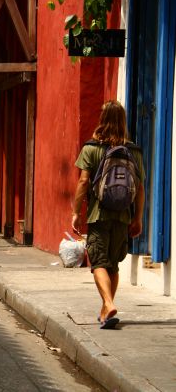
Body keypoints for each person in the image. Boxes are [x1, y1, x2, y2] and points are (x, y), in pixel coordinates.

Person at [71, 100, 145, 329]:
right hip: (122, 215)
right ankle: (106, 311)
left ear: (102, 120)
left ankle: (109, 303)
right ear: (122, 121)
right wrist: (138, 217)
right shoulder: (133, 151)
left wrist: (75, 212)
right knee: (113, 264)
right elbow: (141, 187)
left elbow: (83, 182)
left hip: (98, 214)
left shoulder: (91, 148)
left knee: (98, 262)